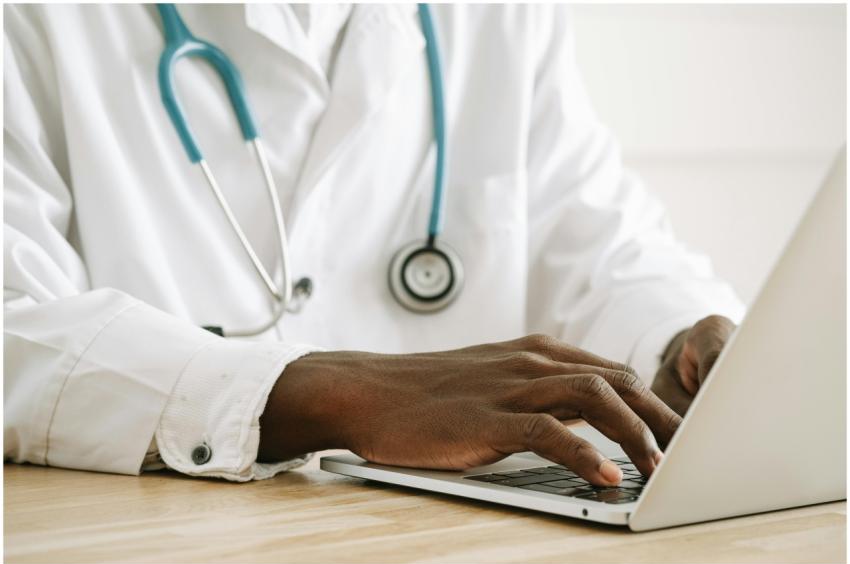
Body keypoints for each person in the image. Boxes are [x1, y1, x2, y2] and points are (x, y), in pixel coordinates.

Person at [4, 4, 743, 486]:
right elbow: (12, 328)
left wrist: (674, 345)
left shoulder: (500, 16)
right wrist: (322, 395)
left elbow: (596, 235)